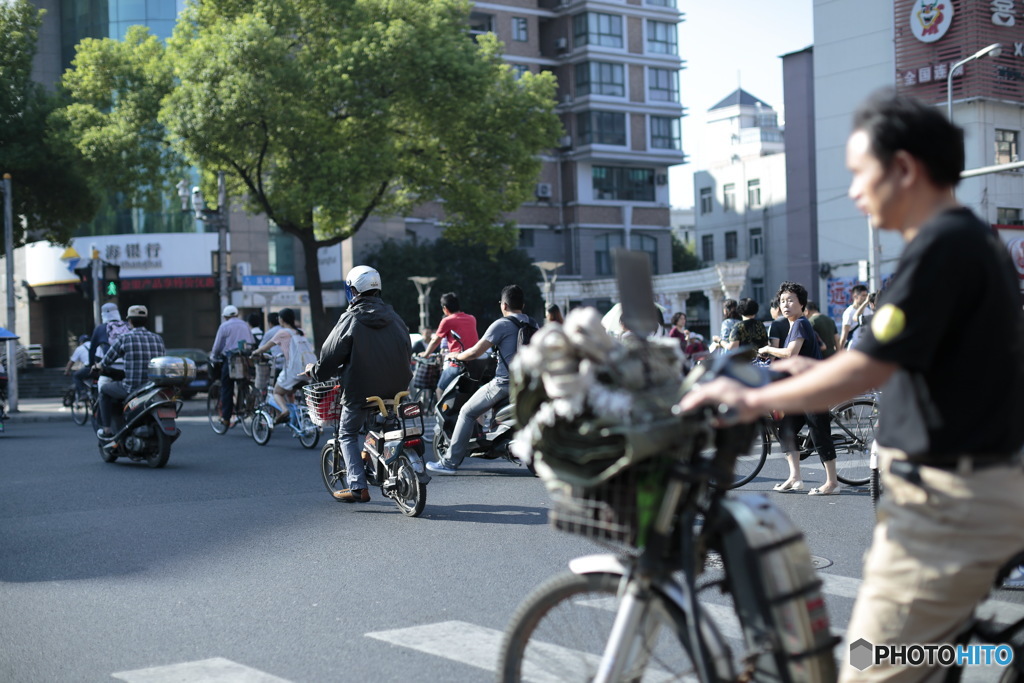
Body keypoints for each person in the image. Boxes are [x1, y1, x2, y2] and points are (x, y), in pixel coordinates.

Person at [681, 90, 1024, 682]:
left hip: (945, 510)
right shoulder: (958, 243)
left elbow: (864, 371)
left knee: (871, 666)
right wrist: (802, 372)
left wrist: (752, 398)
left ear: (905, 169)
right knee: (924, 655)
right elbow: (887, 361)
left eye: (861, 174)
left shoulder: (945, 247)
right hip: (947, 499)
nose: (855, 192)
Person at [307, 266, 411, 502]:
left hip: (360, 391)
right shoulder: (395, 317)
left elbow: (330, 357)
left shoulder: (351, 318)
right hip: (398, 388)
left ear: (352, 290)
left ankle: (358, 485)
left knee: (347, 433)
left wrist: (315, 371)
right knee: (387, 424)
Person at [427, 284, 537, 475]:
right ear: (523, 304)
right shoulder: (533, 324)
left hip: (504, 384)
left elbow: (476, 351)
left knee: (467, 412)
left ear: (503, 305)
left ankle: (450, 462)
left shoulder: (501, 324)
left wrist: (457, 356)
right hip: (528, 384)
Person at [756, 281, 840, 496]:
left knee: (819, 432)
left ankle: (832, 482)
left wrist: (769, 349)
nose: (786, 304)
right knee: (785, 431)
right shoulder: (794, 324)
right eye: (782, 301)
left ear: (802, 304)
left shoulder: (801, 323)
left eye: (791, 300)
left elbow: (791, 352)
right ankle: (795, 478)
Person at [95, 305, 166, 438]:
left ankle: (106, 430)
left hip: (131, 388)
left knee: (104, 389)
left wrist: (98, 366)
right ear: (146, 321)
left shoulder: (125, 338)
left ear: (130, 321)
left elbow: (106, 361)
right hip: (152, 388)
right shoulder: (158, 339)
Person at [250, 308, 307, 424]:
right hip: (306, 370)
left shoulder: (283, 333)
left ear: (281, 319)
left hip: (292, 370)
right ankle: (295, 419)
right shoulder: (300, 331)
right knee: (290, 392)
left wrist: (255, 353)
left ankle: (285, 410)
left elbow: (265, 347)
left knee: (276, 392)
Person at [420, 292, 479, 392]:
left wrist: (426, 354)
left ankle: (438, 408)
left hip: (458, 364)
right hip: (474, 365)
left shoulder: (447, 321)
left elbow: (435, 340)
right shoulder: (472, 318)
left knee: (439, 390)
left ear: (445, 308)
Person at [210, 304, 255, 429]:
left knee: (227, 387)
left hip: (231, 360)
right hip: (246, 359)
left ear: (225, 316)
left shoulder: (224, 326)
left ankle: (226, 418)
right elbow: (252, 341)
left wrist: (213, 357)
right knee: (245, 382)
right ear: (236, 314)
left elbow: (217, 346)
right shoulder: (245, 324)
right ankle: (246, 404)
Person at [89, 302, 130, 380]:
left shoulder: (100, 328)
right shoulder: (128, 325)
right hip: (128, 367)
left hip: (110, 368)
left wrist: (91, 365)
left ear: (103, 315)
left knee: (102, 386)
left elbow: (92, 350)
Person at [838, 284, 869, 350]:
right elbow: (844, 334)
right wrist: (839, 350)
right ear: (855, 296)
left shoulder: (868, 311)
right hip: (853, 348)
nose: (866, 298)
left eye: (866, 295)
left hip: (866, 347)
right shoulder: (849, 312)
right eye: (863, 295)